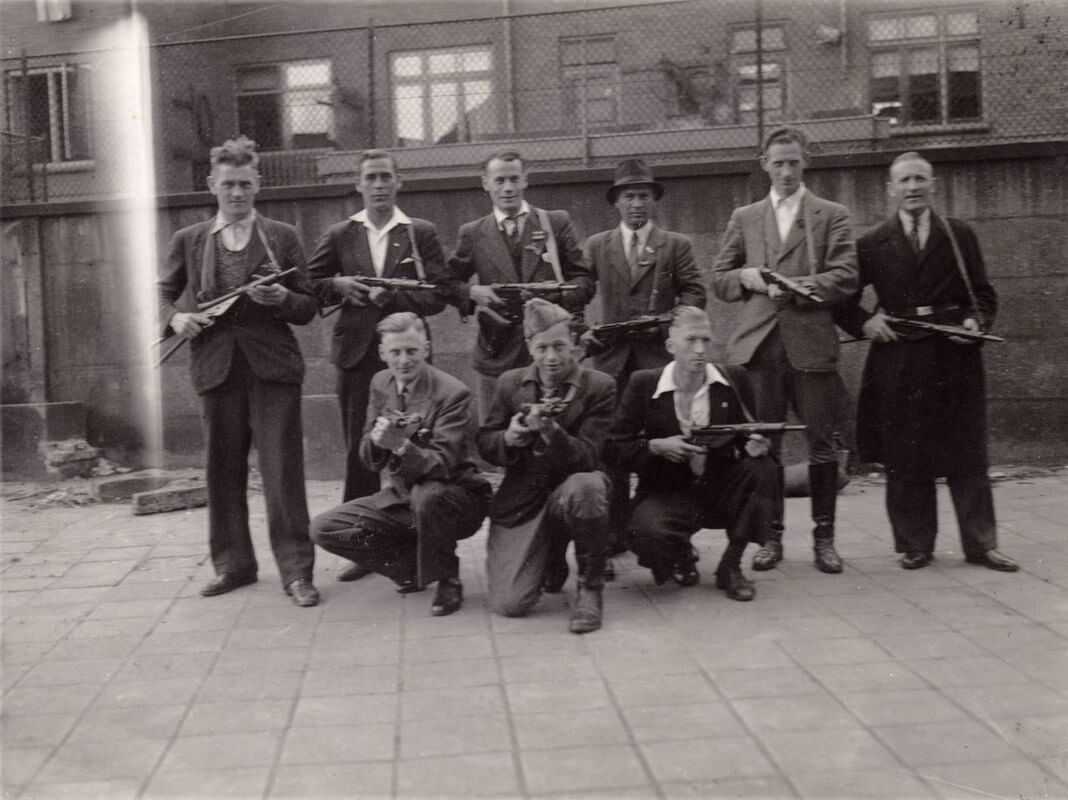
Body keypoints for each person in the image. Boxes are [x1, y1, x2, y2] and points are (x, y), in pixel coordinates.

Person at [836, 152, 1017, 572]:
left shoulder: (958, 235)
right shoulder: (872, 243)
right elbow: (843, 303)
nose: (913, 187)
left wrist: (974, 322)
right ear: (890, 189)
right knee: (905, 453)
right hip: (899, 358)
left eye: (920, 179)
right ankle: (915, 545)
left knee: (967, 453)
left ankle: (981, 544)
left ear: (932, 185)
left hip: (954, 355)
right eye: (904, 181)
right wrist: (867, 322)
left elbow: (984, 295)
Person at [157, 135, 319, 607]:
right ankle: (233, 565)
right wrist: (176, 318)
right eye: (228, 184)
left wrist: (283, 299)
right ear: (212, 184)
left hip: (273, 371)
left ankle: (296, 572)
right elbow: (161, 294)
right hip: (216, 369)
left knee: (282, 472)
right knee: (221, 472)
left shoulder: (283, 236)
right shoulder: (188, 240)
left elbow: (310, 305)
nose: (236, 194)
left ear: (258, 184)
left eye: (245, 184)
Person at [710, 126, 857, 575]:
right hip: (759, 348)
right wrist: (747, 279)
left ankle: (825, 539)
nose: (787, 170)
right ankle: (770, 537)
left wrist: (805, 287)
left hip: (811, 345)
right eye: (779, 162)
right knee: (765, 445)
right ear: (764, 164)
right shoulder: (745, 217)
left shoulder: (830, 214)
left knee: (821, 445)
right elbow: (719, 278)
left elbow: (847, 274)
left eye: (794, 161)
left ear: (805, 161)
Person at [309, 312, 493, 615]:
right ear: (382, 354)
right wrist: (377, 442)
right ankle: (413, 569)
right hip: (403, 496)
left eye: (412, 351)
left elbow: (442, 465)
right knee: (324, 528)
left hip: (457, 497)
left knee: (428, 495)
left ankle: (448, 579)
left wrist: (401, 445)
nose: (404, 360)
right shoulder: (381, 383)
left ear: (427, 349)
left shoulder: (452, 393)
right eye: (395, 352)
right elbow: (368, 459)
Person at [581, 158, 706, 577]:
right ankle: (615, 533)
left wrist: (668, 320)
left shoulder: (675, 245)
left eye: (644, 196)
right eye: (629, 196)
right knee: (613, 450)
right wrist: (585, 332)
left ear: (654, 201)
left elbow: (695, 293)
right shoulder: (598, 246)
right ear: (615, 202)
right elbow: (575, 292)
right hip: (613, 364)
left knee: (667, 449)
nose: (637, 204)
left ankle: (673, 538)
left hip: (658, 363)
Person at [604, 307, 779, 600]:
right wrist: (655, 447)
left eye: (706, 340)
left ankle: (731, 566)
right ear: (671, 346)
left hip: (719, 488)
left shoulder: (733, 379)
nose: (700, 350)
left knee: (763, 470)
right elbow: (612, 447)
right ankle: (680, 555)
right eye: (691, 340)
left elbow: (747, 433)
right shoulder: (644, 384)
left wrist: (755, 445)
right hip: (666, 492)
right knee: (645, 534)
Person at [307, 150, 448, 510]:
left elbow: (439, 295)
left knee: (416, 438)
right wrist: (337, 284)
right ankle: (361, 538)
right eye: (370, 178)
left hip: (408, 357)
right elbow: (308, 282)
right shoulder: (341, 234)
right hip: (357, 355)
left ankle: (416, 528)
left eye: (386, 176)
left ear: (399, 181)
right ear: (358, 185)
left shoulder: (420, 232)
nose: (379, 184)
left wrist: (394, 297)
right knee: (362, 446)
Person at [478, 299, 615, 634]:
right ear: (528, 346)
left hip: (574, 492)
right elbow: (485, 442)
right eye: (541, 348)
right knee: (510, 603)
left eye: (559, 346)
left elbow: (588, 456)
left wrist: (551, 431)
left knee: (587, 486)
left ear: (574, 344)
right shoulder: (510, 383)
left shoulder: (599, 387)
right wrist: (508, 438)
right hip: (525, 502)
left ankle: (590, 588)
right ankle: (550, 557)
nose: (551, 358)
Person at [442, 149, 595, 421]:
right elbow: (446, 283)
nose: (508, 188)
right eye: (499, 181)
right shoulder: (473, 233)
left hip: (549, 353)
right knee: (500, 435)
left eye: (514, 179)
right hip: (497, 351)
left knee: (554, 430)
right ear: (485, 184)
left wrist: (555, 297)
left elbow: (584, 281)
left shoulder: (555, 223)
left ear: (526, 180)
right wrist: (473, 293)